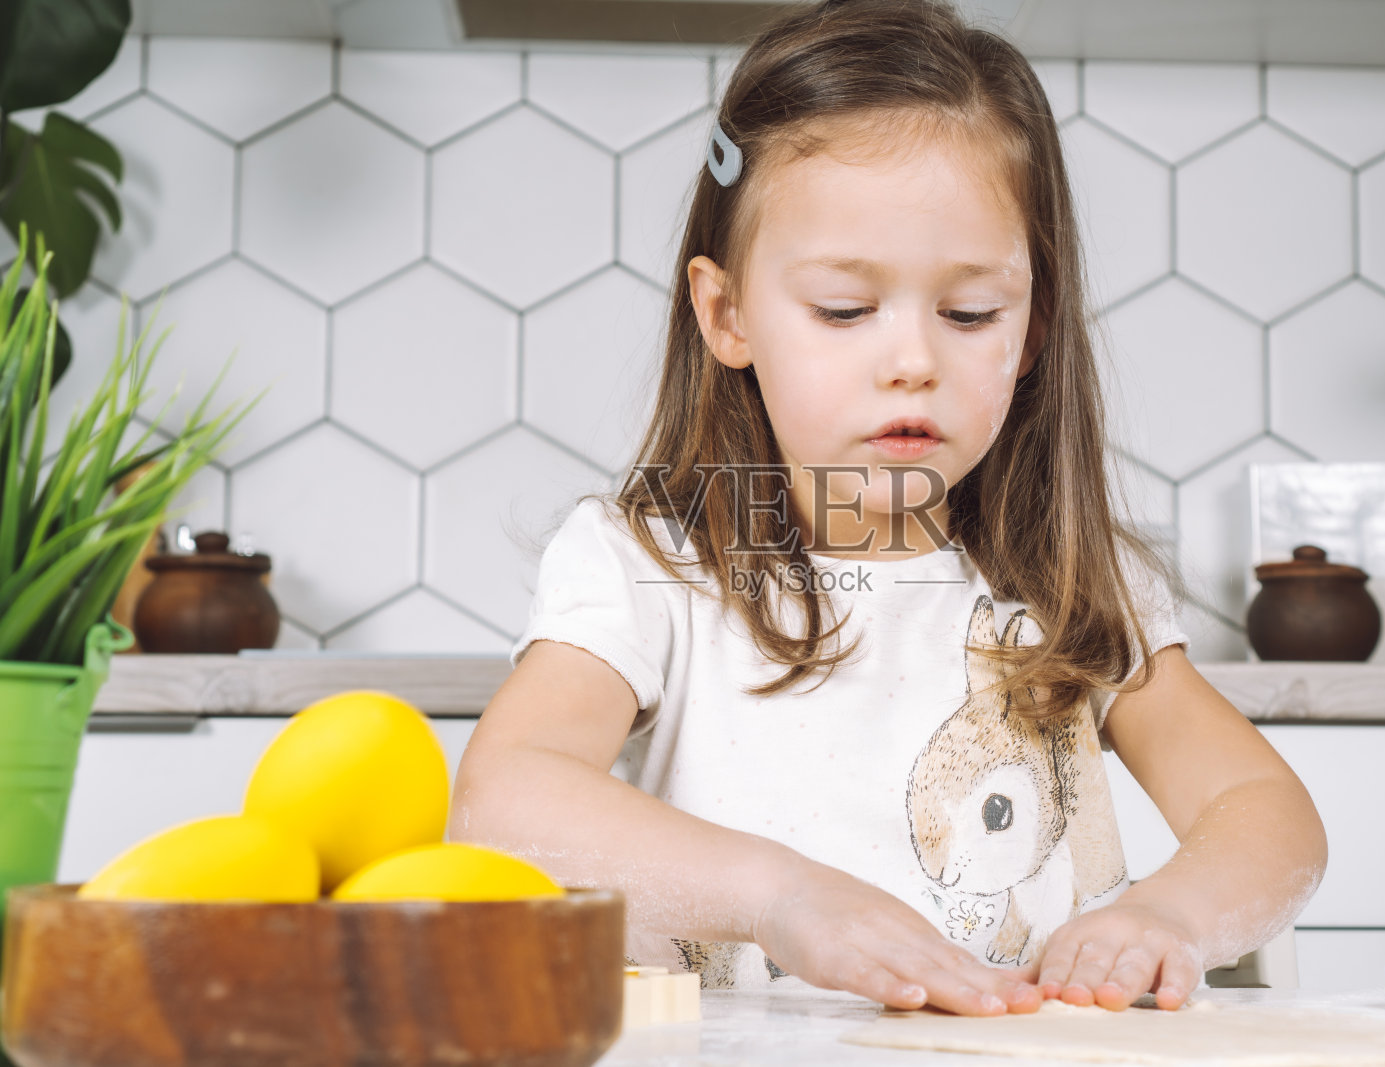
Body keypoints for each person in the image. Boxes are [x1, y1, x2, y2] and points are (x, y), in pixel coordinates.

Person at [451, 0, 1327, 1018]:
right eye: (843, 309)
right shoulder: (649, 562)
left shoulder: (1074, 584)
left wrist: (1171, 915)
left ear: (1034, 325)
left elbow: (1266, 813)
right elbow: (505, 794)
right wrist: (780, 896)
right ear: (727, 313)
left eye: (968, 313)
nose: (912, 360)